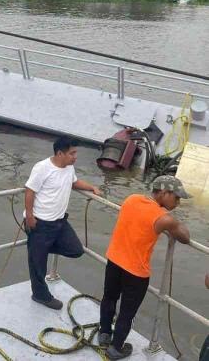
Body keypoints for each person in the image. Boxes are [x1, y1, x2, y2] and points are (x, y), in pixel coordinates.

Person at [98, 176, 191, 360]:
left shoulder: (131, 199)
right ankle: (116, 348)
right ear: (164, 193)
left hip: (114, 261)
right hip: (136, 272)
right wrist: (174, 222)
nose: (178, 202)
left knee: (109, 297)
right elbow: (186, 237)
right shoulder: (164, 219)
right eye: (177, 197)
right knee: (127, 312)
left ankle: (104, 334)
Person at [24, 136, 102, 310]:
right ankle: (40, 295)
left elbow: (74, 182)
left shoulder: (69, 168)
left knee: (75, 250)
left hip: (59, 222)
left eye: (75, 153)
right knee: (38, 266)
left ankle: (38, 248)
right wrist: (29, 216)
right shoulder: (42, 168)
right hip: (40, 222)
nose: (75, 157)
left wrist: (91, 187)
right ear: (60, 153)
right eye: (72, 153)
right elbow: (30, 191)